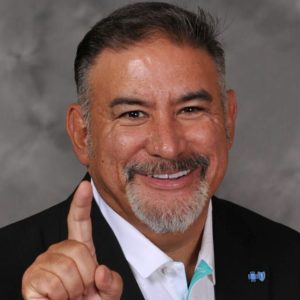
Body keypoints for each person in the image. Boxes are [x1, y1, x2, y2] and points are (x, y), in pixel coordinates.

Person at [1, 2, 299, 299]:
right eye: (133, 114)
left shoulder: (290, 259)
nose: (168, 147)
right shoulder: (10, 273)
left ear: (228, 120)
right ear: (83, 135)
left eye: (191, 109)